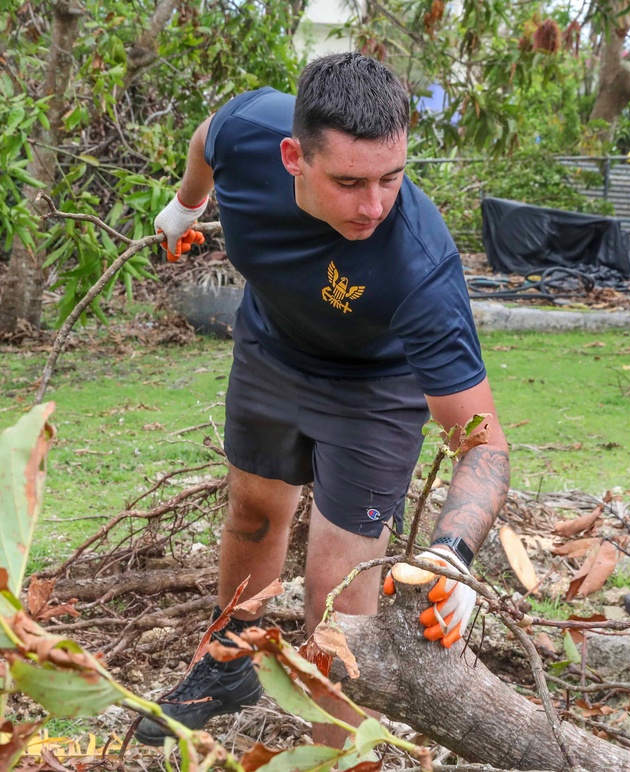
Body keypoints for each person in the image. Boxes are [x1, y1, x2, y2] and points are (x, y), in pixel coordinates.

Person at [134, 53, 510, 748]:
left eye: (391, 178)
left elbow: (482, 442)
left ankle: (332, 754)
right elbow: (208, 134)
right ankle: (231, 662)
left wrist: (454, 554)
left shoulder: (418, 264)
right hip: (273, 348)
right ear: (291, 158)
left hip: (374, 387)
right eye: (349, 182)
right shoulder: (248, 131)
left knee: (336, 588)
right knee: (252, 509)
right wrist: (186, 205)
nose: (374, 206)